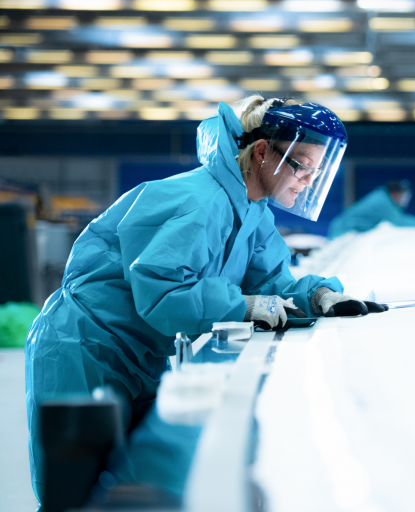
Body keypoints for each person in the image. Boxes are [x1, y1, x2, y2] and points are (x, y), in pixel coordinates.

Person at [23, 96, 386, 501]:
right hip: (85, 345)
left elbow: (271, 281)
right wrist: (243, 307)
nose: (308, 181)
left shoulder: (253, 212)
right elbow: (163, 294)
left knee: (130, 482)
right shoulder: (202, 202)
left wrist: (318, 295)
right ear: (264, 152)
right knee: (75, 490)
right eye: (302, 166)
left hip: (139, 353)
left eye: (317, 172)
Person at [327, 179, 415, 237]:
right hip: (343, 231)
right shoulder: (383, 201)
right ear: (395, 193)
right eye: (403, 196)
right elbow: (398, 221)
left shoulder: (384, 197)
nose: (405, 199)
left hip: (345, 229)